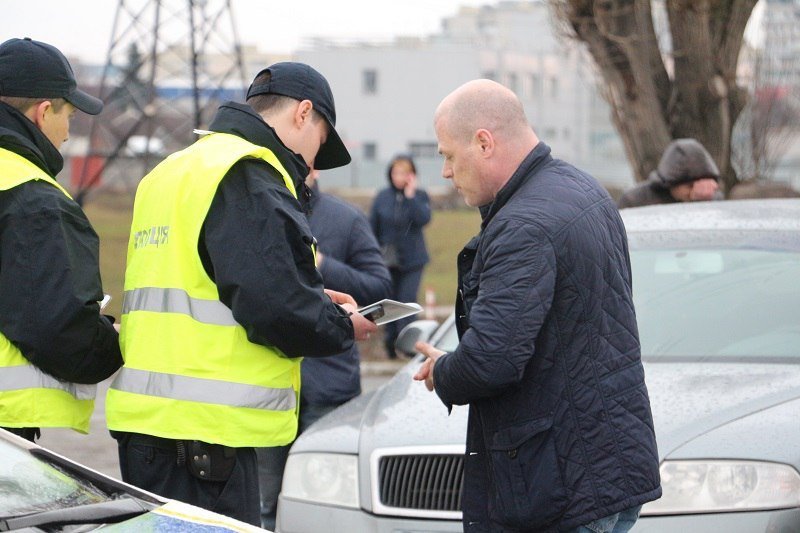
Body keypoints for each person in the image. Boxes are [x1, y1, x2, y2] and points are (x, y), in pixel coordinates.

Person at [104, 62, 377, 526]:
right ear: (303, 113)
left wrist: (309, 294)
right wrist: (339, 325)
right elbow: (278, 310)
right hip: (205, 446)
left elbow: (210, 281)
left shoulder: (173, 170)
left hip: (151, 431)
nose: (313, 163)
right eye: (321, 142)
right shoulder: (245, 175)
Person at [413, 79, 661, 533]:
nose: (446, 172)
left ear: (483, 142)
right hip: (607, 468)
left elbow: (493, 358)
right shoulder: (582, 190)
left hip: (561, 486)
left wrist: (444, 371)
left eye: (448, 155)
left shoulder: (524, 225)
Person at [0, 38, 123, 442]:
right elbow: (59, 331)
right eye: (68, 115)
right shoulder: (33, 198)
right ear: (42, 112)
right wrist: (109, 341)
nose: (69, 133)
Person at [257, 169, 392, 529]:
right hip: (267, 388)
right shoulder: (255, 212)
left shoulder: (345, 218)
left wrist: (321, 264)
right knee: (264, 505)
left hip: (328, 390)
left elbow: (378, 286)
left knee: (329, 505)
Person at [369, 154, 431, 359]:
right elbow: (372, 229)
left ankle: (409, 345)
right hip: (387, 261)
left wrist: (411, 195)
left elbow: (423, 219)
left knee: (407, 301)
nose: (399, 177)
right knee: (389, 303)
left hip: (412, 260)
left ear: (412, 175)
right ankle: (390, 343)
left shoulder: (419, 196)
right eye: (396, 173)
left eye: (405, 173)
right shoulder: (382, 197)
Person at [617, 138, 721, 208]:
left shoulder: (713, 200)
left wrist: (702, 204)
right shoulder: (634, 200)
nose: (697, 190)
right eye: (690, 186)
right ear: (671, 182)